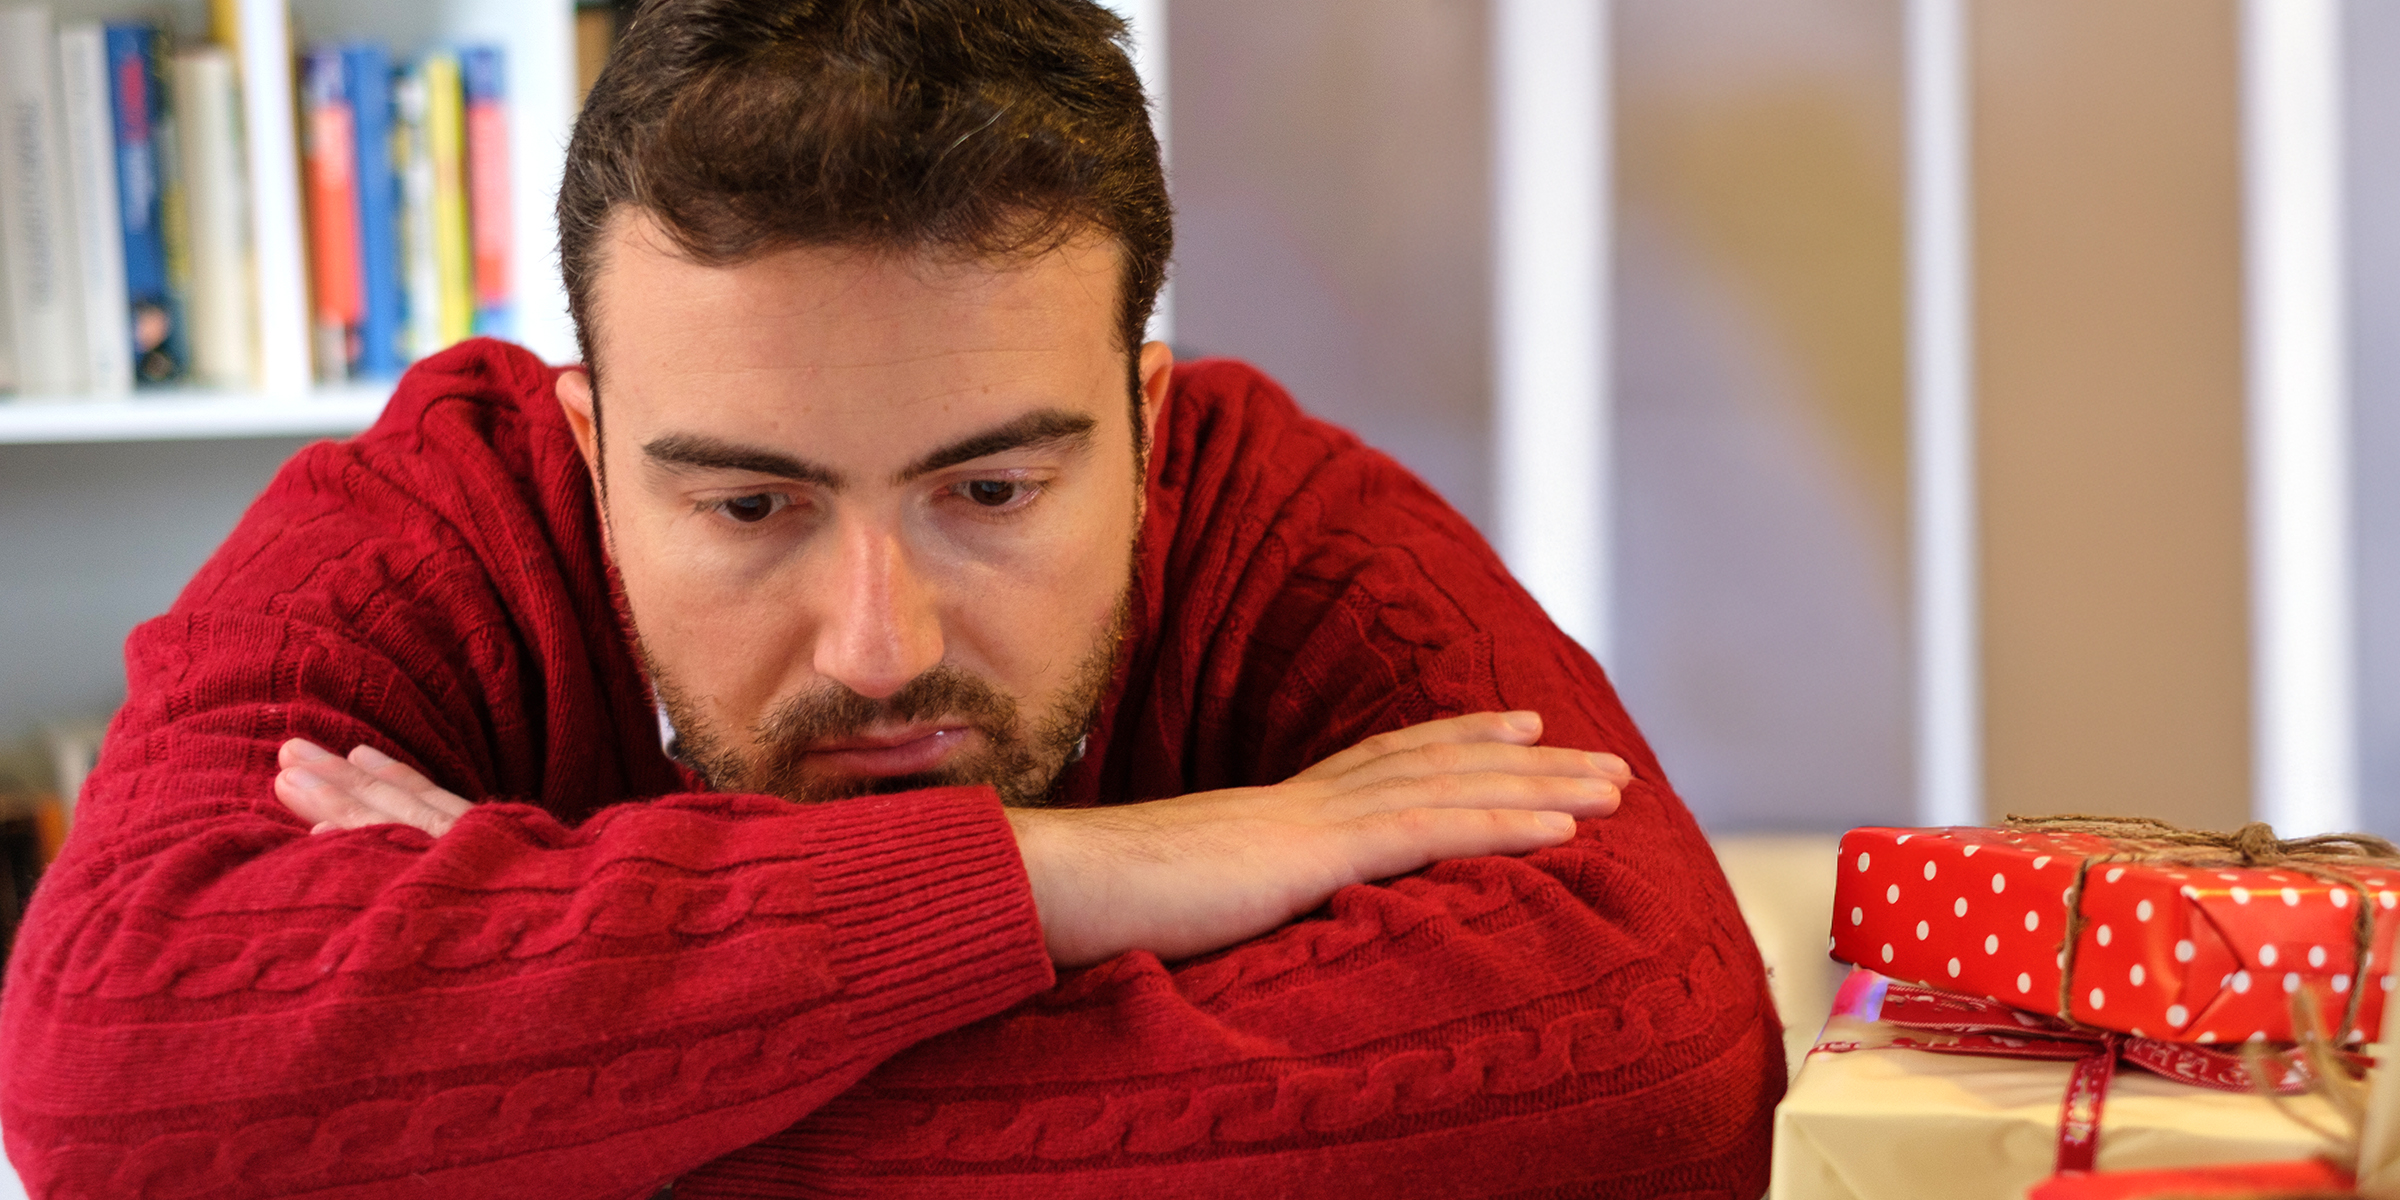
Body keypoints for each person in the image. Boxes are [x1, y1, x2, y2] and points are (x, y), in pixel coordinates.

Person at [0, 1, 1784, 1195]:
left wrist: (492, 1098)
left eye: (992, 491)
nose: (882, 645)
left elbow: (1657, 1061)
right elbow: (108, 1073)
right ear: (589, 448)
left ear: (1148, 425)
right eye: (749, 503)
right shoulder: (430, 531)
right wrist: (1074, 872)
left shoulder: (1279, 524)